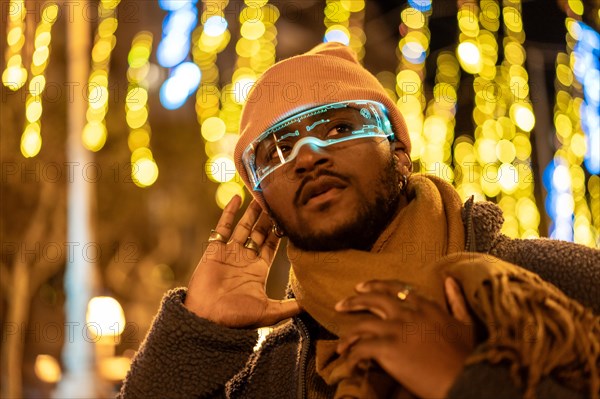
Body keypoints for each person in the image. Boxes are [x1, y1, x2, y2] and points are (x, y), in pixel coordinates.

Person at [118, 43, 599, 399]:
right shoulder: (280, 369)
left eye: (339, 128)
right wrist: (201, 333)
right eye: (277, 151)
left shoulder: (558, 279)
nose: (306, 156)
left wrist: (466, 383)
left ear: (400, 153)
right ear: (264, 202)